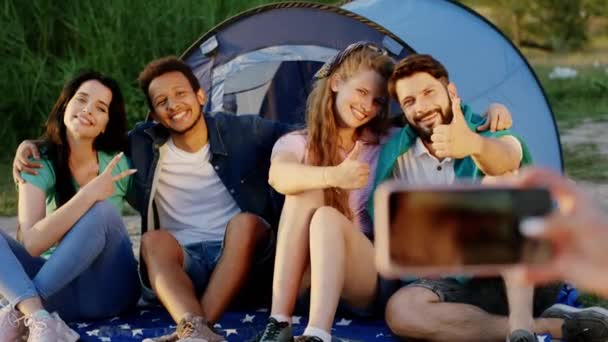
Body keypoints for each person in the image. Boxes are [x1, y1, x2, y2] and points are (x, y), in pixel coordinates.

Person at [13, 57, 291, 341]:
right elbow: (83, 136)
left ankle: (197, 329)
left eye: (180, 94)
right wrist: (35, 145)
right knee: (152, 240)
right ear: (154, 114)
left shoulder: (242, 131)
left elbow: (301, 133)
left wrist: (287, 158)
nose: (173, 105)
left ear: (201, 95)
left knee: (244, 223)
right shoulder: (142, 147)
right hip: (185, 263)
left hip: (245, 259)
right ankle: (193, 328)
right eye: (162, 101)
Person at [255, 42, 513, 342]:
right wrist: (334, 175)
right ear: (337, 82)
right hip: (307, 277)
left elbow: (435, 115)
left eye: (378, 101)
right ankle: (278, 324)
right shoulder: (298, 143)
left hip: (366, 272)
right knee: (305, 190)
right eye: (362, 93)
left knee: (326, 216)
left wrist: (492, 112)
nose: (368, 107)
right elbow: (279, 176)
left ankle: (317, 334)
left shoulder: (385, 140)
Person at [371, 53, 608, 342]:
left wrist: (472, 144)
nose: (421, 107)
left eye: (428, 93)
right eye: (409, 101)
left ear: (451, 91)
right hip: (456, 284)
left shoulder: (486, 126)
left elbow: (508, 155)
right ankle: (548, 326)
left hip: (522, 271)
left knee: (502, 181)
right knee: (401, 311)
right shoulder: (397, 156)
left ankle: (522, 324)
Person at [0, 71, 140, 341]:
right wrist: (87, 193)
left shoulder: (119, 162)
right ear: (65, 105)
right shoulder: (37, 161)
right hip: (58, 297)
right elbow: (31, 244)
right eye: (81, 100)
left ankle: (21, 311)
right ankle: (38, 318)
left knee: (103, 211)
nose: (87, 110)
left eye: (100, 108)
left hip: (110, 292)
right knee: (94, 204)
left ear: (106, 124)